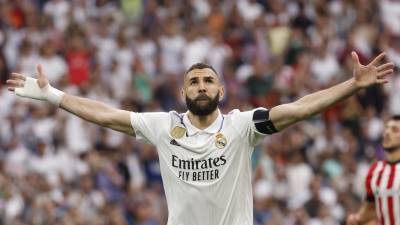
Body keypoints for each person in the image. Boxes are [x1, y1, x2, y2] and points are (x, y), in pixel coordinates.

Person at [6, 51, 394, 225]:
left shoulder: (242, 127)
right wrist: (54, 96)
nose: (201, 86)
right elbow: (107, 115)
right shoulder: (163, 126)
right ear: (183, 93)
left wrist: (351, 86)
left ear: (221, 91)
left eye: (209, 80)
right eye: (194, 81)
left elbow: (300, 108)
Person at [347, 115, 400, 225]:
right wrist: (356, 219)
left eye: (395, 130)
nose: (387, 133)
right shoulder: (375, 170)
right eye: (386, 128)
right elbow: (370, 208)